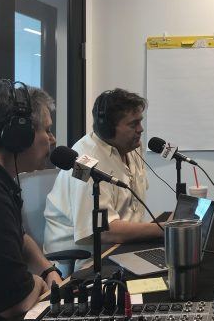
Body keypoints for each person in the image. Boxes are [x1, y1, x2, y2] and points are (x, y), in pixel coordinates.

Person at [44, 89, 162, 270]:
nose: (141, 129)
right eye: (133, 124)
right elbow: (103, 231)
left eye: (140, 121)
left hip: (122, 248)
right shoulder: (83, 161)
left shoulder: (131, 148)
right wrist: (163, 229)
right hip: (85, 259)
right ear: (108, 128)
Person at [0, 79, 62, 321]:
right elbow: (14, 302)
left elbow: (19, 236)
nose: (52, 139)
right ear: (19, 135)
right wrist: (39, 283)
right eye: (47, 130)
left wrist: (48, 269)